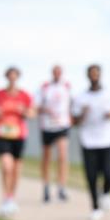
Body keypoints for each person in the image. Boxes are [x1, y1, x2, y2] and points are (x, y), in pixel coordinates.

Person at [71, 64, 110, 220]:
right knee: (91, 176)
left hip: (107, 138)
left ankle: (106, 192)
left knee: (109, 174)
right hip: (88, 140)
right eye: (91, 74)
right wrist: (83, 114)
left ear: (100, 75)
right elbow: (74, 121)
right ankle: (95, 208)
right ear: (87, 76)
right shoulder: (81, 98)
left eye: (96, 73)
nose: (94, 76)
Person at [0, 67, 34, 216]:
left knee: (16, 169)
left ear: (18, 78)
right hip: (2, 134)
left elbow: (32, 113)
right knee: (6, 166)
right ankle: (6, 197)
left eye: (15, 76)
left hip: (19, 135)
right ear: (6, 77)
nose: (12, 79)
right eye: (10, 76)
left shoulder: (24, 95)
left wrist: (24, 111)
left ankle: (11, 198)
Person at [36, 65, 72, 203]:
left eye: (59, 72)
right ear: (52, 73)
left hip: (62, 125)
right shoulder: (44, 87)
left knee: (62, 156)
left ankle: (61, 186)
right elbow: (37, 106)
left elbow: (71, 105)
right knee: (47, 157)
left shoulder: (67, 87)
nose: (57, 74)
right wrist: (46, 110)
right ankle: (46, 186)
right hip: (47, 126)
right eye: (55, 72)